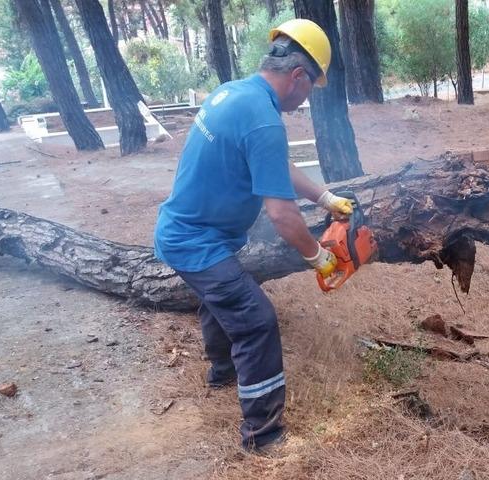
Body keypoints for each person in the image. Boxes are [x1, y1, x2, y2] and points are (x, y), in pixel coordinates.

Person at [153, 19, 353, 452]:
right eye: (311, 87)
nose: (306, 99)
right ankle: (264, 435)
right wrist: (318, 257)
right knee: (255, 319)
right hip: (196, 242)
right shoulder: (263, 119)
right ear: (298, 76)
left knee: (221, 298)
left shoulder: (234, 92)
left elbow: (272, 160)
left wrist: (324, 198)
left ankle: (222, 372)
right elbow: (281, 214)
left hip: (190, 232)